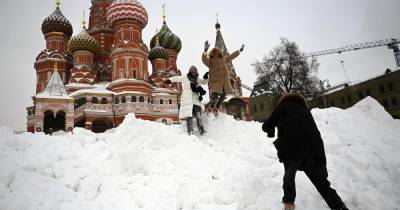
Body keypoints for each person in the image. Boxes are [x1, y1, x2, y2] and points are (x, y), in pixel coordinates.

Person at [262, 93, 349, 210]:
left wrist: (271, 132)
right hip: (313, 150)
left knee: (289, 177)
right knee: (322, 184)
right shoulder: (305, 110)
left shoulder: (283, 106)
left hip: (292, 149)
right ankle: (339, 207)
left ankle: (289, 205)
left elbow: (266, 125)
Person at [201, 41, 244, 114]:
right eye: (214, 53)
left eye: (217, 53)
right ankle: (211, 107)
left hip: (224, 82)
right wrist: (205, 51)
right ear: (212, 54)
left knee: (223, 95)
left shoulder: (224, 59)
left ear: (219, 53)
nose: (216, 55)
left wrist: (239, 51)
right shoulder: (210, 61)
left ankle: (217, 107)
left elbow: (232, 56)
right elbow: (204, 60)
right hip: (215, 82)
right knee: (214, 95)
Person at [165, 66, 209, 135]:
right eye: (193, 72)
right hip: (187, 99)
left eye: (195, 72)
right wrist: (170, 80)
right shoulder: (185, 78)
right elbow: (177, 78)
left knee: (198, 116)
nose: (194, 73)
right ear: (190, 72)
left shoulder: (197, 79)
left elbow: (203, 82)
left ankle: (202, 130)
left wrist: (206, 77)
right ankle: (190, 131)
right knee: (189, 116)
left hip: (195, 100)